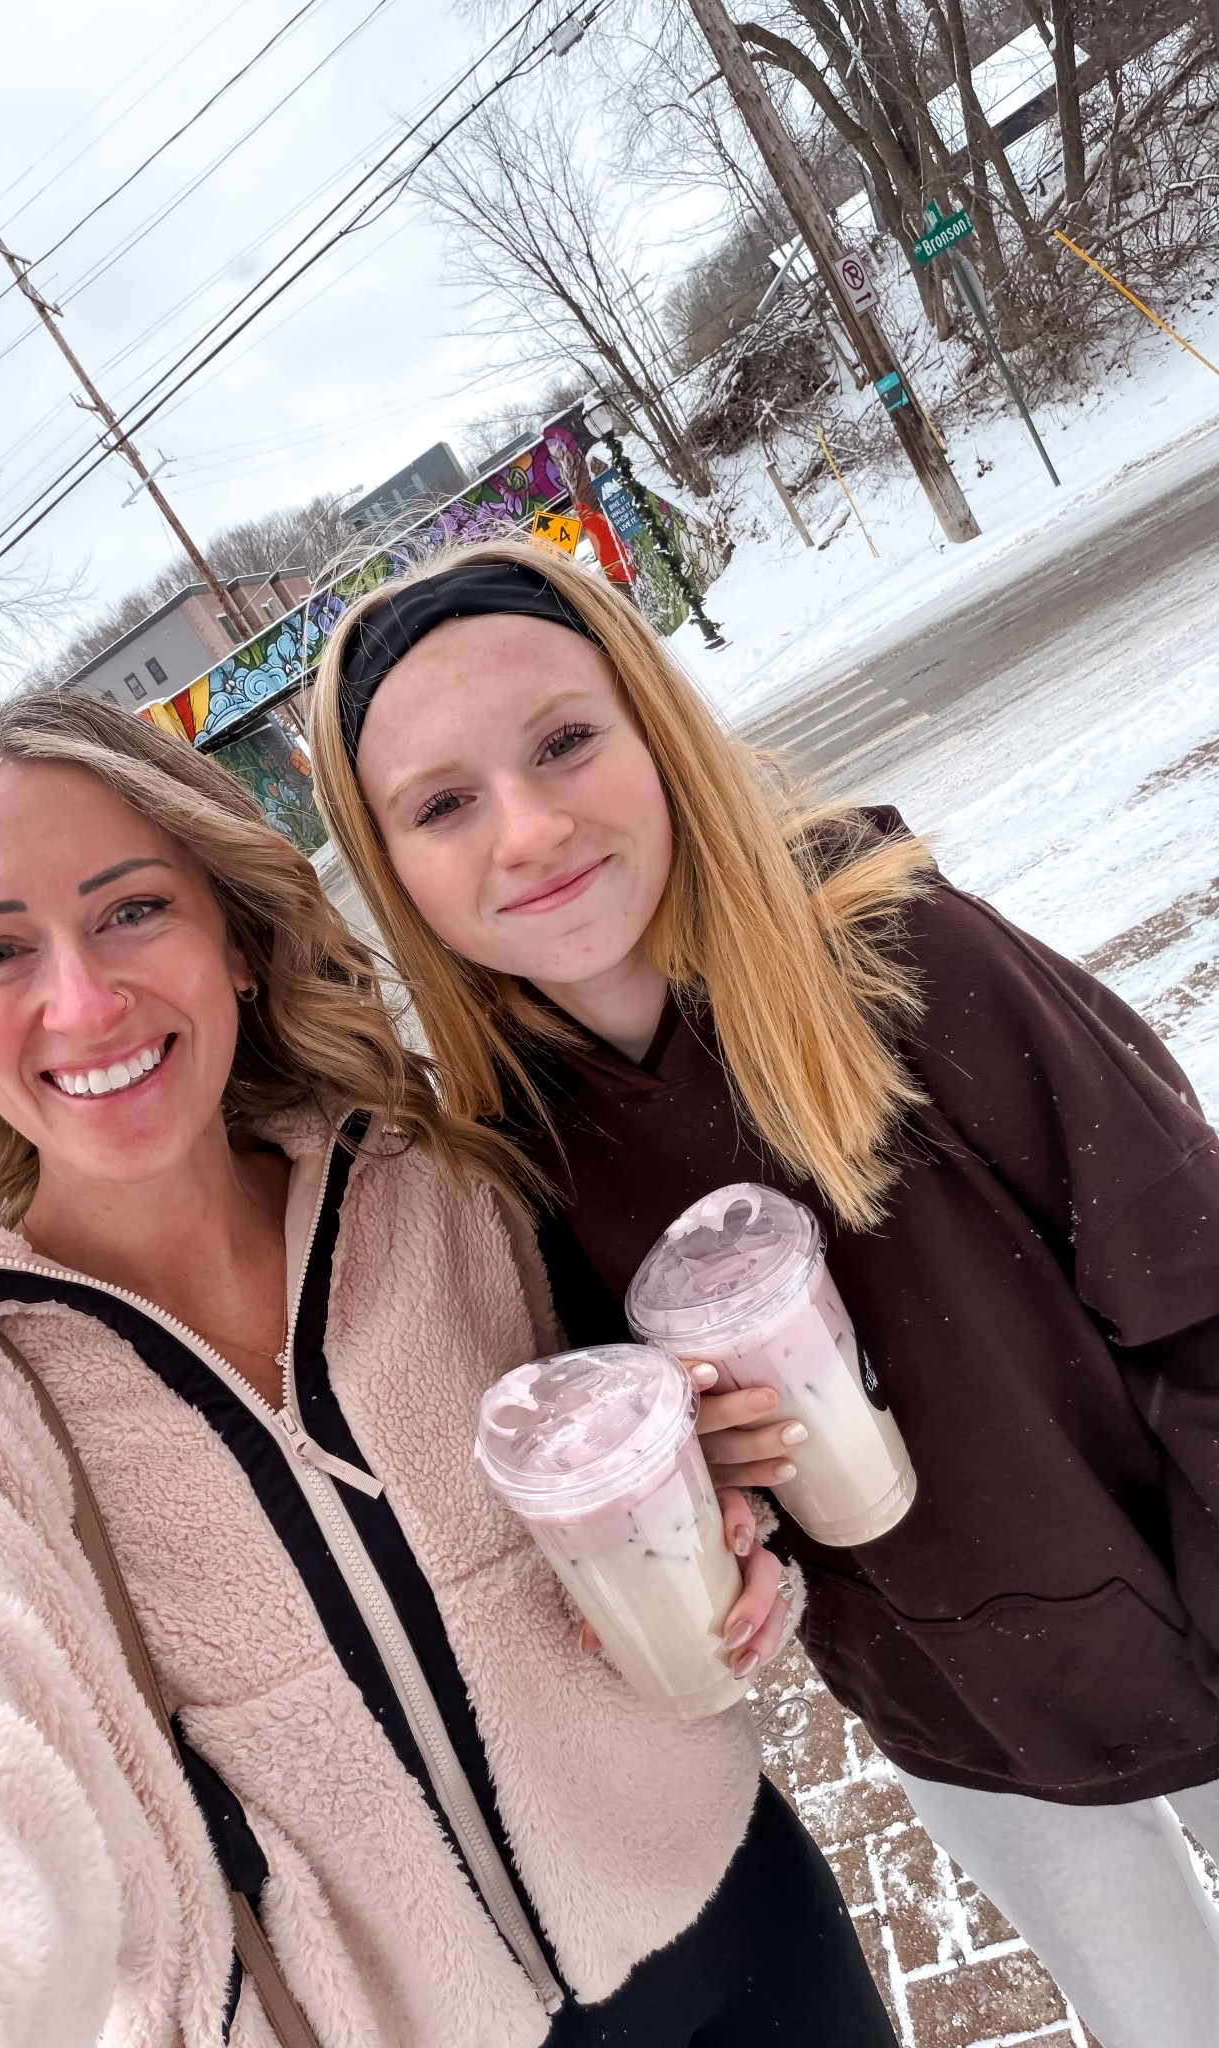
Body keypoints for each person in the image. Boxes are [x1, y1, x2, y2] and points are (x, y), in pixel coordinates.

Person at [0, 692, 897, 2048]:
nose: (81, 1000)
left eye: (132, 910)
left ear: (235, 938)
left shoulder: (452, 1184)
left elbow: (663, 1436)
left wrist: (718, 1522)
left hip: (744, 1925)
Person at [309, 537, 1219, 2048]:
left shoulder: (896, 957)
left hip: (1177, 1604)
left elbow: (1188, 1274)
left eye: (564, 741)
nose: (528, 831)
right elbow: (649, 1492)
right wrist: (708, 1531)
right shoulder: (508, 1156)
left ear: (655, 729)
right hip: (955, 1709)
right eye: (444, 804)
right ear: (394, 867)